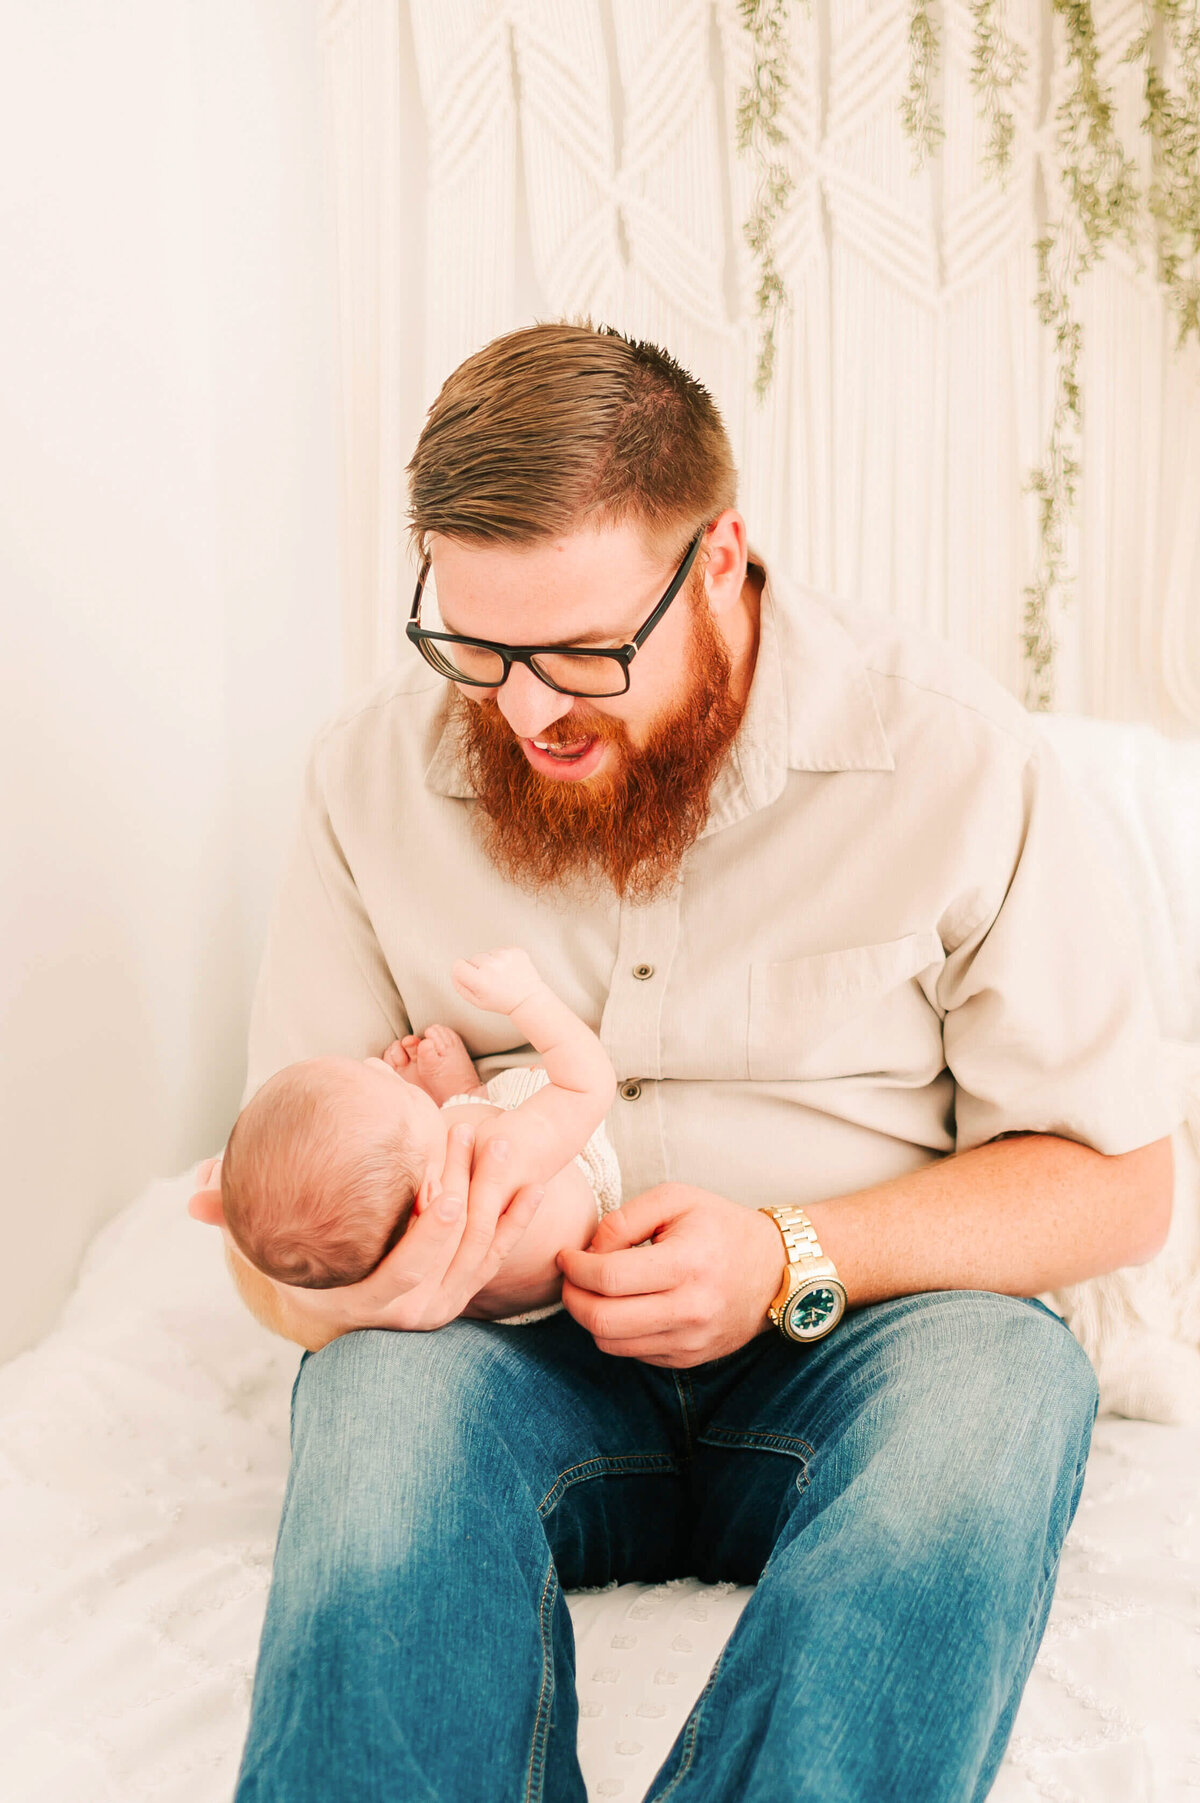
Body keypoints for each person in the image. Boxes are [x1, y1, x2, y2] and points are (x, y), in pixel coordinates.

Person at [189, 320, 1179, 1802]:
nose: (525, 710)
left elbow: (1122, 1181)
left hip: (862, 1342)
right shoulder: (365, 780)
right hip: (512, 1354)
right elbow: (284, 1206)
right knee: (374, 1401)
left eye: (583, 652)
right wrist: (341, 1297)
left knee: (1006, 1380)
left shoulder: (954, 756)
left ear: (718, 559)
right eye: (477, 646)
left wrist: (790, 1250)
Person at [195, 947, 620, 1325]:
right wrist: (527, 997)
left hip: (495, 1301)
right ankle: (468, 1096)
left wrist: (248, 1204)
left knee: (421, 1150)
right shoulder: (505, 1151)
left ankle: (461, 1095)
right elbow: (588, 1082)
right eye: (380, 1079)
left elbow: (390, 1173)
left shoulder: (390, 1246)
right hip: (565, 1182)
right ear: (428, 1201)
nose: (377, 1062)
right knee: (522, 1108)